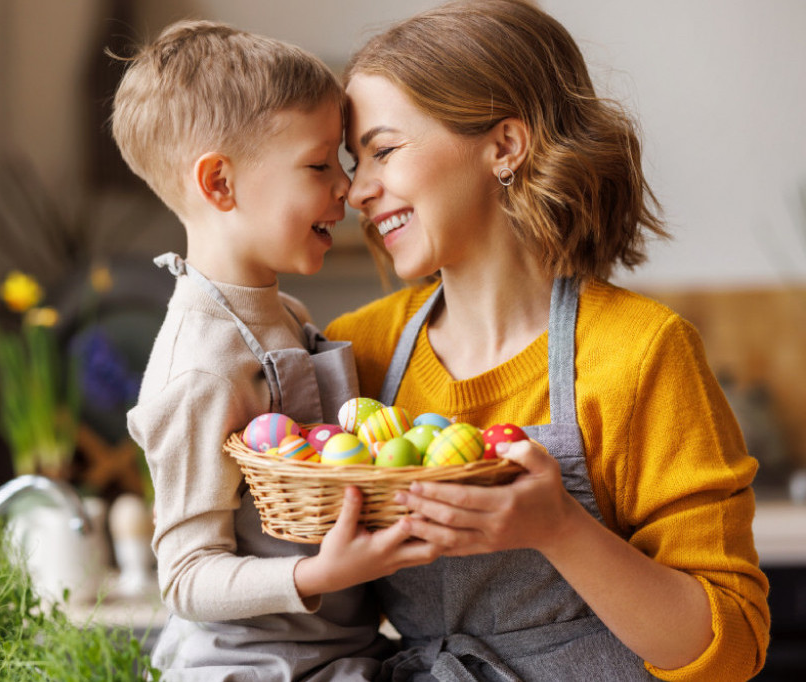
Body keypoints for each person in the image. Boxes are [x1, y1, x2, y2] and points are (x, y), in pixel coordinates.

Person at [325, 1, 770, 680]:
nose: (358, 190)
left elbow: (731, 647)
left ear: (504, 146)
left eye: (383, 150)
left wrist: (558, 528)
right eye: (355, 161)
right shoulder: (356, 352)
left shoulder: (641, 351)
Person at [114, 20, 437, 680]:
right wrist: (319, 572)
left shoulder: (283, 314)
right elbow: (185, 577)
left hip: (337, 653)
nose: (347, 189)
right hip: (259, 667)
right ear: (219, 185)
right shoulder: (202, 363)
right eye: (320, 166)